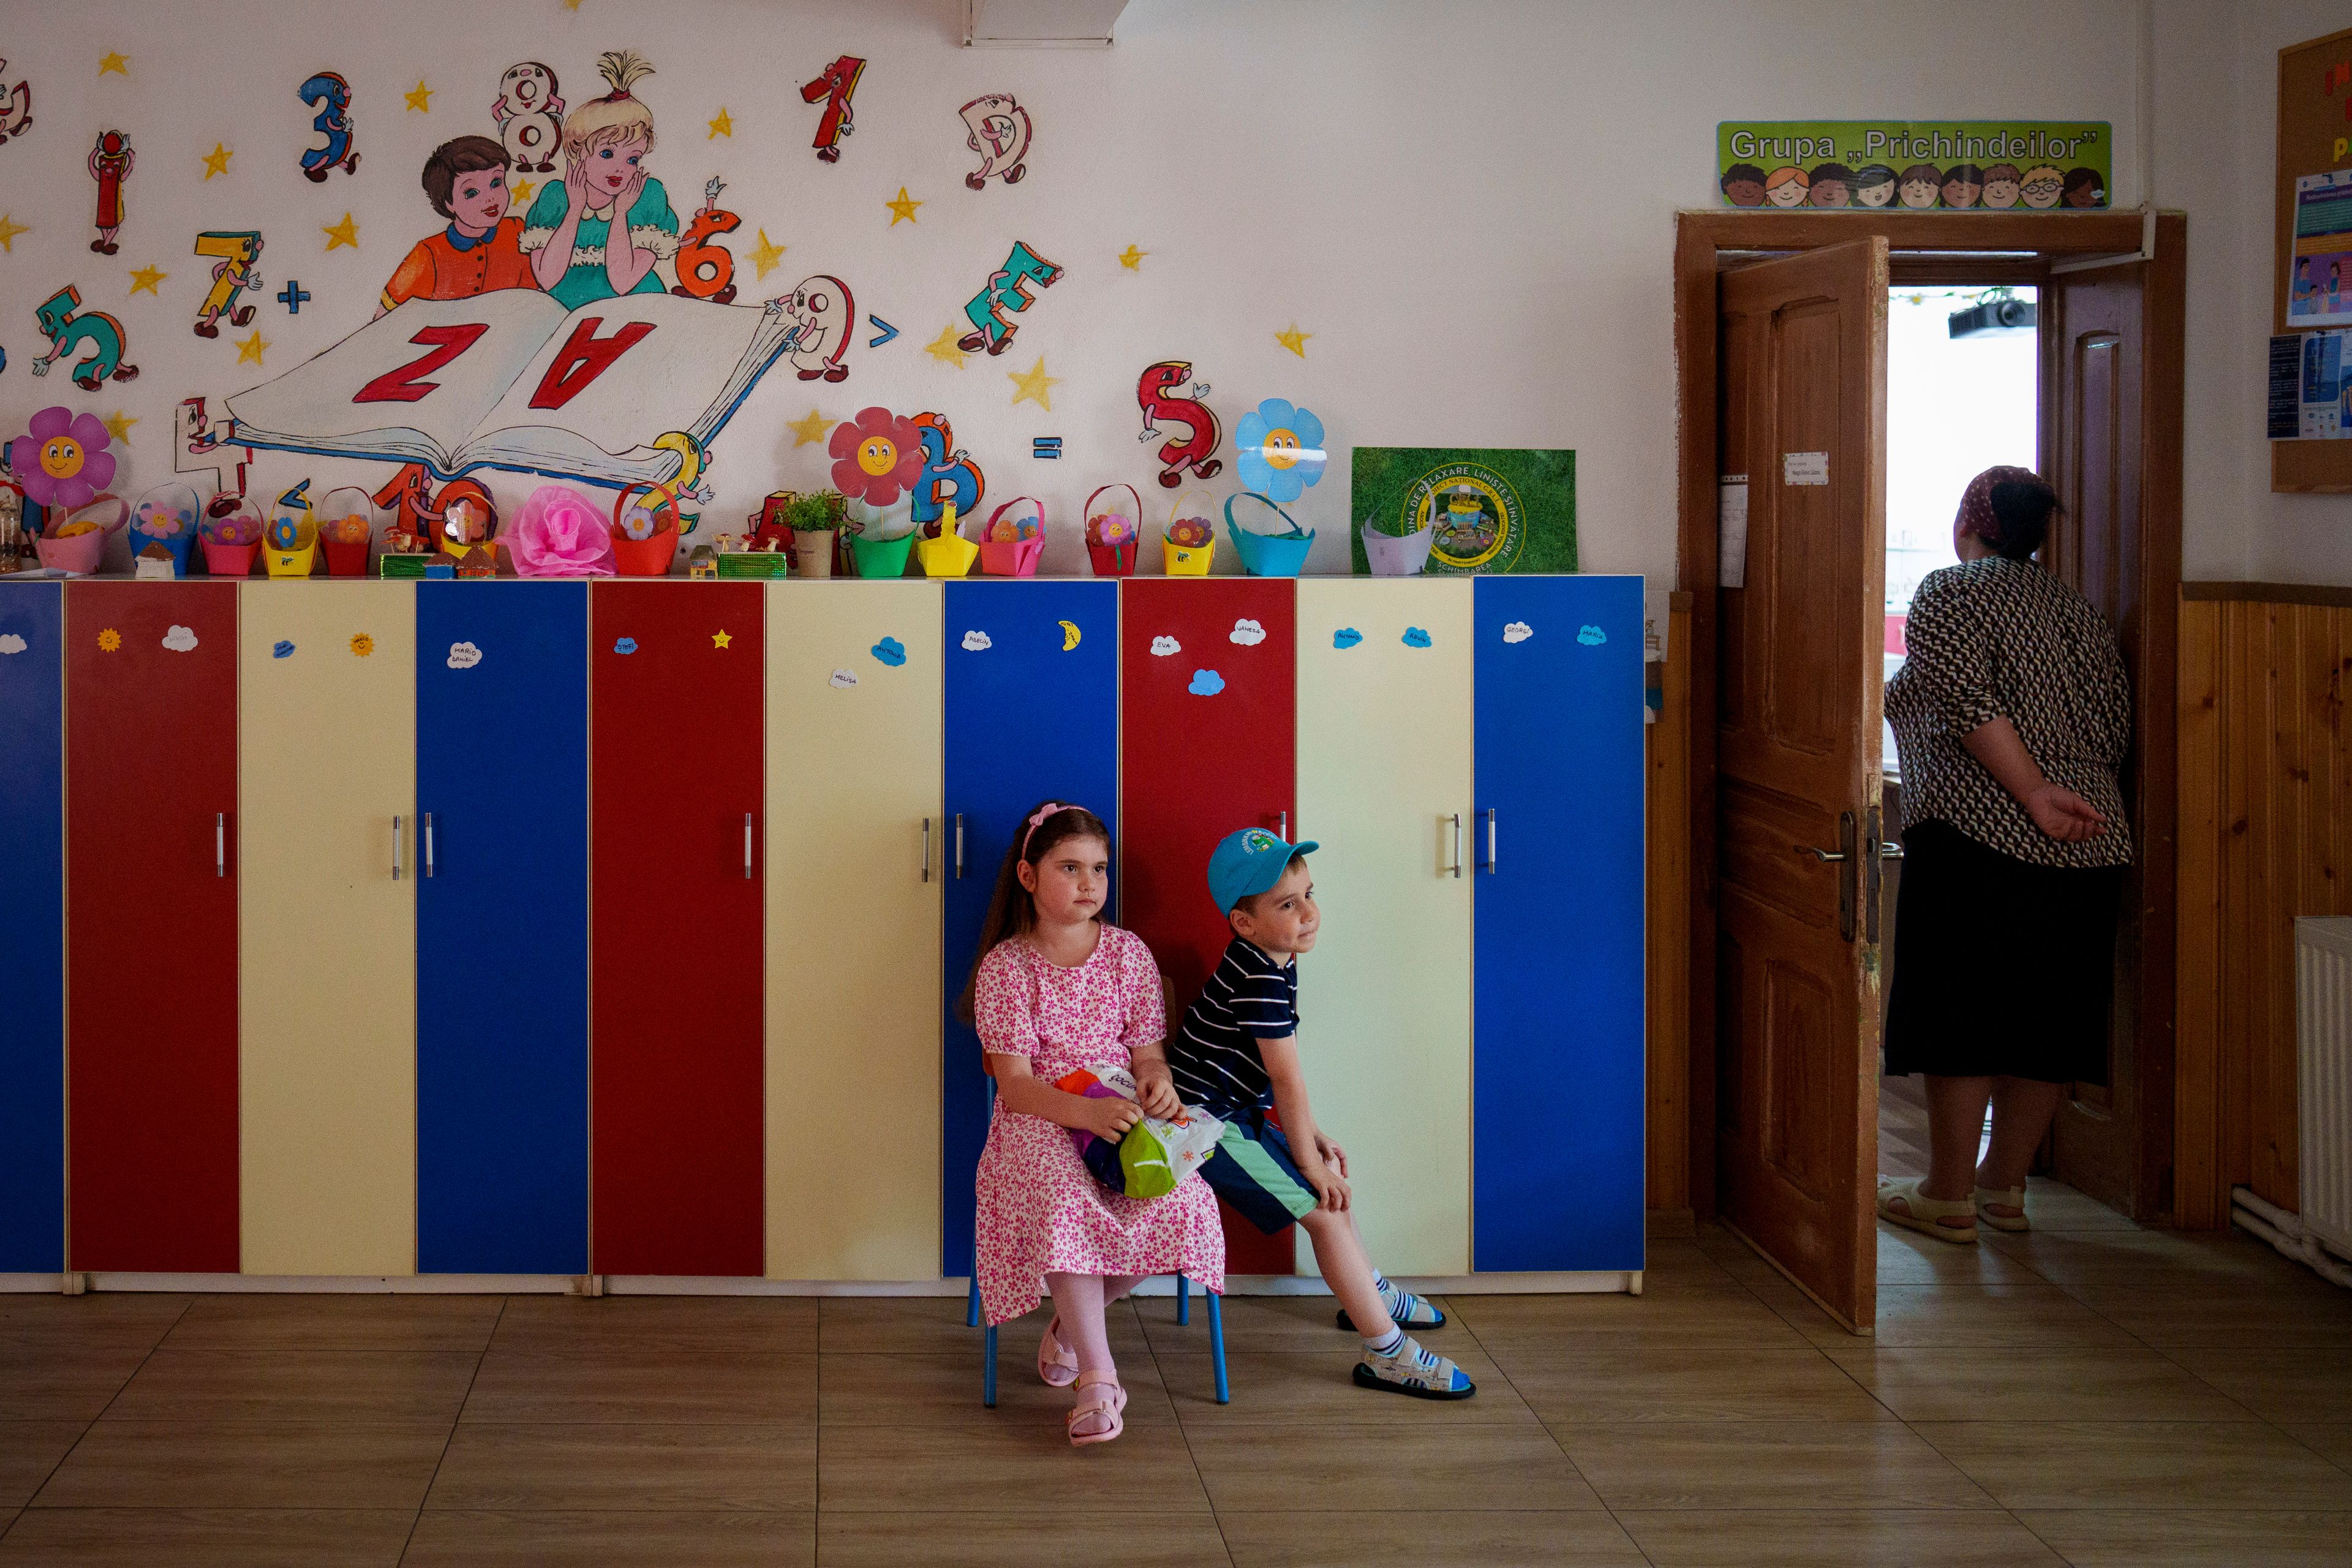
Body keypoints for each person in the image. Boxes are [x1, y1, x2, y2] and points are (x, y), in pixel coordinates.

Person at [1876, 469, 2133, 1244]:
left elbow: (1965, 700)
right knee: (2048, 1020)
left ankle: (1948, 1193)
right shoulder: (2077, 609)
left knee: (1963, 1013)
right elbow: (2115, 726)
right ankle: (2004, 1188)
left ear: (1967, 522)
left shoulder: (1950, 591)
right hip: (2094, 839)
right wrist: (2065, 795)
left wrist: (2030, 793)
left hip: (1978, 829)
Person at [1167, 829, 1477, 1400]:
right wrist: (1308, 1163)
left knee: (1335, 1190)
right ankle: (1387, 1353)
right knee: (1324, 1209)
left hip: (1237, 1111)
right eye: (1288, 904)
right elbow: (1286, 1078)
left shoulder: (1272, 956)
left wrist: (1311, 1139)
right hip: (1200, 1128)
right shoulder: (1260, 974)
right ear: (1245, 924)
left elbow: (1268, 1084)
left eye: (1309, 893)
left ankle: (1372, 1292)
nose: (1309, 913)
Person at [964, 801, 1225, 1447]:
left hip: (1118, 1106)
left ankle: (1070, 1326)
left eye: (1099, 869)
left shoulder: (1128, 954)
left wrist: (1157, 1085)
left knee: (1183, 1196)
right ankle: (1100, 1379)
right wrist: (1086, 1114)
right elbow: (1018, 1086)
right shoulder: (1007, 966)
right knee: (1062, 1201)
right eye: (1071, 867)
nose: (1090, 883)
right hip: (1042, 1117)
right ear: (1028, 876)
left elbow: (1147, 1054)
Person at [521, 48, 679, 308]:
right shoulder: (555, 197)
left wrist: (620, 213)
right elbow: (547, 279)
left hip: (632, 310)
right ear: (578, 150)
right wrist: (573, 210)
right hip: (565, 313)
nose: (621, 169)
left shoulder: (647, 197)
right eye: (607, 153)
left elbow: (622, 282)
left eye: (633, 159)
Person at [378, 136, 538, 316]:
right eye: (472, 193)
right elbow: (382, 320)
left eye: (496, 183)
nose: (490, 198)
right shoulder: (428, 255)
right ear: (448, 203)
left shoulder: (516, 230)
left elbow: (536, 296)